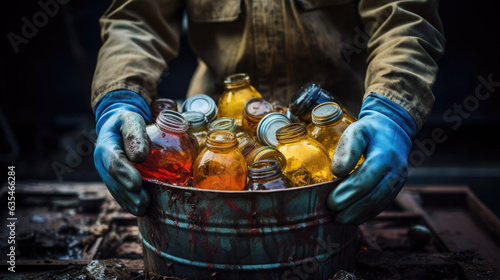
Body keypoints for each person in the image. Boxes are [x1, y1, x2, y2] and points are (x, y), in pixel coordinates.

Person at [92, 0, 445, 224]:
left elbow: (405, 13)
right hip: (212, 133)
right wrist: (120, 98)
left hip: (341, 136)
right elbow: (137, 19)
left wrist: (391, 109)